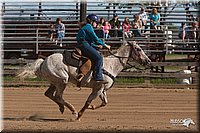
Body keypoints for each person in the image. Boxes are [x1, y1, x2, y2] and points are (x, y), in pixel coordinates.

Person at [76, 14, 111, 83]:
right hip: (84, 45)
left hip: (84, 44)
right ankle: (98, 77)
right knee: (99, 58)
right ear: (91, 21)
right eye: (96, 22)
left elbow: (89, 41)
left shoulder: (87, 27)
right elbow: (96, 39)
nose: (97, 24)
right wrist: (105, 45)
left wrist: (96, 46)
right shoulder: (89, 27)